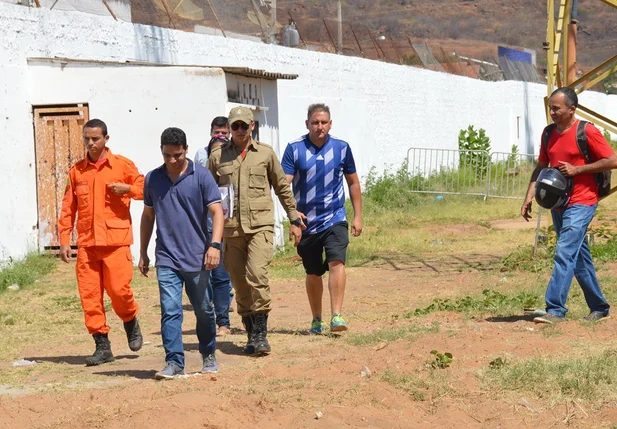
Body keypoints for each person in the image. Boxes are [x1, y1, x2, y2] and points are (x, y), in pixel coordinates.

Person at [207, 106, 303, 356]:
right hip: (231, 230)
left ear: (252, 126)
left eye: (243, 125)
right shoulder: (218, 157)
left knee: (257, 276)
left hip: (260, 225)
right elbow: (205, 192)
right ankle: (250, 332)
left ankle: (261, 334)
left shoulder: (265, 154)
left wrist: (293, 217)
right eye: (234, 126)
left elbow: (282, 187)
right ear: (229, 129)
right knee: (239, 283)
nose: (239, 130)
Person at [521, 87, 617, 324]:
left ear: (571, 109)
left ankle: (555, 310)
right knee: (578, 255)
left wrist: (578, 169)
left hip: (583, 201)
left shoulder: (587, 132)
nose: (552, 111)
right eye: (550, 107)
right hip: (558, 203)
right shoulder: (548, 133)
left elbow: (613, 160)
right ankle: (599, 307)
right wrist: (528, 196)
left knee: (564, 251)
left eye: (556, 108)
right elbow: (542, 166)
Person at [139, 127, 224, 379]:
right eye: (167, 156)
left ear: (186, 149)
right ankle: (174, 362)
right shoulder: (152, 179)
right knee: (170, 309)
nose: (173, 160)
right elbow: (147, 216)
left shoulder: (202, 176)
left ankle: (208, 353)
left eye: (177, 155)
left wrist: (214, 246)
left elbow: (218, 212)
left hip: (198, 257)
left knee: (203, 310)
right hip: (166, 257)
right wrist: (143, 253)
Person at [58, 119, 144, 366]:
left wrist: (126, 188)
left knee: (119, 291)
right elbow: (68, 207)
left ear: (107, 138)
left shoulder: (122, 165)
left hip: (116, 243)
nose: (91, 143)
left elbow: (144, 188)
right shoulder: (77, 171)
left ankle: (130, 319)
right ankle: (102, 345)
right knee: (90, 296)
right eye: (87, 139)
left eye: (96, 138)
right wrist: (65, 238)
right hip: (87, 245)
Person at [282, 103, 363, 334]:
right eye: (315, 122)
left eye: (324, 122)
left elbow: (353, 182)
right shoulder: (294, 149)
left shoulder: (342, 148)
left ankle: (336, 315)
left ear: (330, 124)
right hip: (307, 222)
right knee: (313, 271)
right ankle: (317, 319)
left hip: (335, 217)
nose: (320, 127)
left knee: (337, 261)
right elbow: (283, 185)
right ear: (307, 124)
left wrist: (358, 216)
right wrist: (293, 215)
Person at [195, 134, 234, 336]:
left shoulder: (231, 179)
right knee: (202, 280)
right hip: (202, 233)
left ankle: (223, 323)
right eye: (215, 152)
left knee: (221, 279)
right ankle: (206, 320)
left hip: (223, 234)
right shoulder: (198, 178)